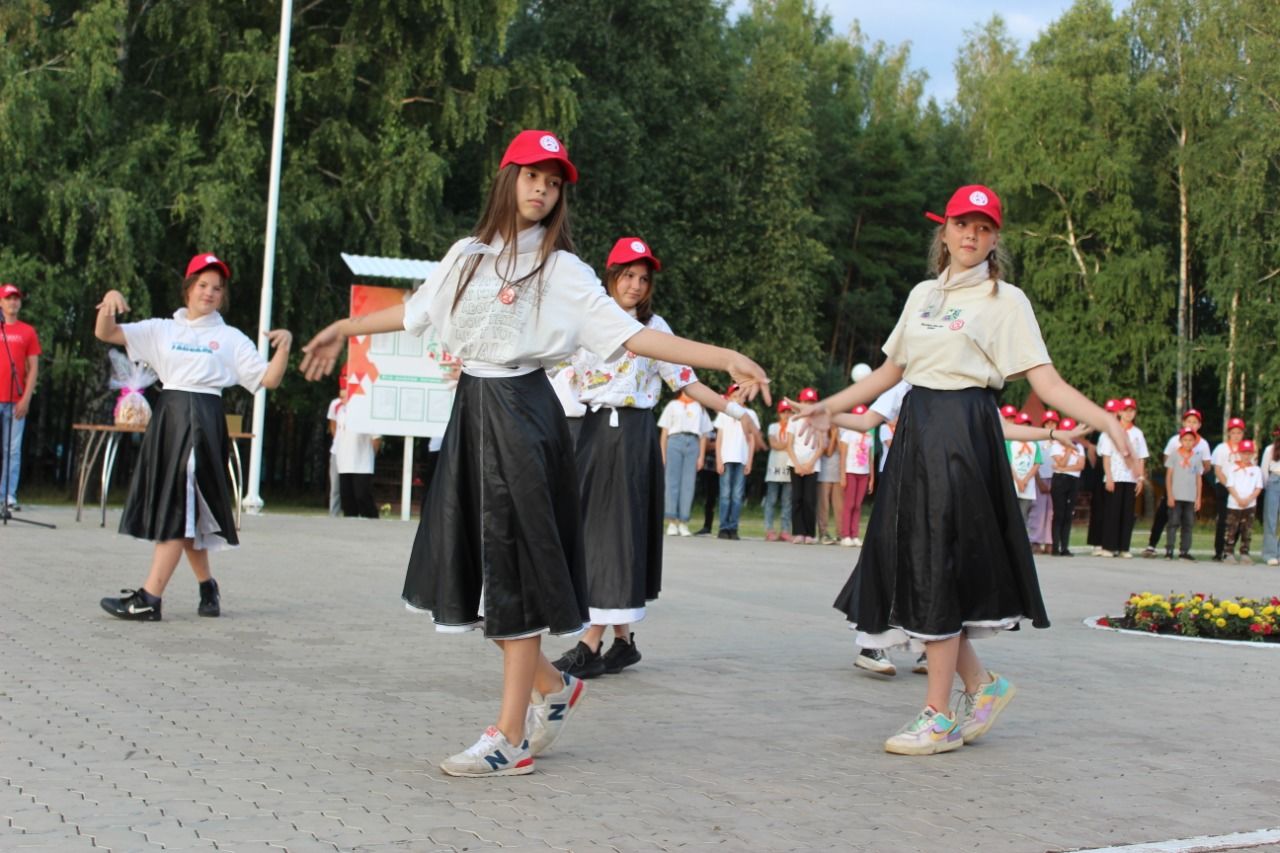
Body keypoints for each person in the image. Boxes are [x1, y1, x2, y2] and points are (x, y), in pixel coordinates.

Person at [298, 130, 769, 778]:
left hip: (524, 414)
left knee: (514, 574)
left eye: (554, 181)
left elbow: (633, 337)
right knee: (489, 572)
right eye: (532, 175)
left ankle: (510, 735)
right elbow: (416, 313)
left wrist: (722, 357)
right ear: (507, 178)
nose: (543, 189)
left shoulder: (565, 271)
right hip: (475, 413)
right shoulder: (468, 256)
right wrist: (341, 327)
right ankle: (552, 685)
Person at [795, 184, 1129, 755]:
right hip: (917, 431)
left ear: (995, 238)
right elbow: (889, 373)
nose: (970, 235)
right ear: (943, 231)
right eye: (960, 224)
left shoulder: (1007, 301)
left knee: (938, 561)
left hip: (962, 434)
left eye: (983, 226)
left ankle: (938, 713)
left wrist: (1107, 421)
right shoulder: (923, 294)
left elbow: (1045, 382)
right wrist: (828, 406)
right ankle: (982, 685)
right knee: (917, 562)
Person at [551, 237, 761, 679]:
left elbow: (687, 383)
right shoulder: (584, 322)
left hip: (632, 435)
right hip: (591, 431)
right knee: (596, 535)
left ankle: (590, 641)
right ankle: (622, 641)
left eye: (643, 279)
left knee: (616, 535)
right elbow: (544, 361)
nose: (635, 285)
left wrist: (737, 411)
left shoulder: (655, 329)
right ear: (610, 277)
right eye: (627, 275)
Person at [95, 253, 292, 621]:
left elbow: (268, 380)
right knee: (186, 510)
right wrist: (109, 301)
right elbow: (106, 333)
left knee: (177, 505)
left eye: (217, 288)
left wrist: (284, 347)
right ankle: (207, 587)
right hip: (169, 419)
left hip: (201, 422)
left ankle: (149, 599)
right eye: (203, 285)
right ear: (188, 288)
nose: (210, 293)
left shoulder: (230, 338)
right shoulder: (162, 330)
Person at [1143, 408, 1211, 557]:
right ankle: (1152, 545)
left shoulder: (1203, 444)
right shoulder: (1175, 440)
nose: (1191, 424)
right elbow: (1167, 459)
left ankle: (1184, 550)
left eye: (1194, 422)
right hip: (1174, 484)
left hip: (1190, 487)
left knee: (1187, 519)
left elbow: (1206, 465)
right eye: (1188, 421)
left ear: (1199, 425)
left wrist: (1193, 472)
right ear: (1183, 422)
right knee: (1164, 514)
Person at [0, 282, 41, 512]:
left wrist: (26, 398)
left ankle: (8, 495)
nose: (13, 302)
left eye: (16, 298)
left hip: (16, 400)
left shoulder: (27, 331)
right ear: (1, 302)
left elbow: (33, 367)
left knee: (12, 450)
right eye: (8, 298)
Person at [1097, 397, 1148, 558]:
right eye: (1126, 411)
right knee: (1112, 512)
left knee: (1127, 514)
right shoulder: (1111, 431)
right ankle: (1108, 546)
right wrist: (1109, 477)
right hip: (1115, 476)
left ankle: (1124, 547)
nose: (1129, 414)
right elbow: (1106, 457)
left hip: (1130, 477)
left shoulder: (1138, 433)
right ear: (1119, 412)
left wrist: (1140, 478)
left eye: (1132, 411)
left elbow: (1141, 457)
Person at [658, 389, 712, 537]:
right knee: (671, 482)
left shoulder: (699, 407)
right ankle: (671, 521)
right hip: (674, 441)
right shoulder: (673, 405)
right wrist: (662, 454)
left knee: (688, 483)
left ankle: (683, 522)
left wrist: (701, 456)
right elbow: (664, 432)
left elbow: (704, 435)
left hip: (693, 442)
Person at [332, 379, 382, 519]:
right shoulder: (341, 413)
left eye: (345, 397)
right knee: (347, 497)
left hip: (362, 463)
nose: (342, 400)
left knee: (362, 495)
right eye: (340, 397)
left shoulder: (365, 412)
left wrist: (371, 455)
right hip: (344, 462)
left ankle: (373, 520)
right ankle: (350, 523)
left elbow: (376, 438)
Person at [714, 385, 760, 540]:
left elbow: (752, 439)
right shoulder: (724, 413)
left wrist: (750, 461)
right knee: (725, 494)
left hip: (742, 459)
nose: (738, 398)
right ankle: (723, 527)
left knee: (737, 495)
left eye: (741, 395)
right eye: (735, 395)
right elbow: (719, 439)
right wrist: (719, 460)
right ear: (729, 397)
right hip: (726, 458)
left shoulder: (750, 414)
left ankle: (733, 528)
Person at [788, 387, 823, 544]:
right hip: (795, 465)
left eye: (811, 402)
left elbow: (821, 446)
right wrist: (798, 465)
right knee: (797, 498)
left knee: (809, 499)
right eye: (805, 401)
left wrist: (809, 464)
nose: (808, 404)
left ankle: (810, 533)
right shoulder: (793, 419)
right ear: (799, 402)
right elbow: (788, 445)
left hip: (812, 466)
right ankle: (798, 532)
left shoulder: (820, 420)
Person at [1163, 427, 1204, 560]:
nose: (1187, 442)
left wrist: (1198, 498)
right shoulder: (1174, 455)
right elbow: (1169, 476)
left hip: (1190, 497)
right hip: (1176, 496)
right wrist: (1169, 495)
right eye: (1185, 440)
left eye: (1190, 440)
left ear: (1194, 442)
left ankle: (1184, 551)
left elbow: (1198, 478)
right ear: (1180, 441)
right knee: (1173, 523)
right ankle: (1169, 549)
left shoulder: (1197, 458)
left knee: (1188, 524)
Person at [837, 404, 875, 548]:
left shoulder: (869, 435)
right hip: (850, 472)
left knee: (858, 505)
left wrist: (872, 477)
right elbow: (843, 455)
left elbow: (870, 458)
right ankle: (845, 535)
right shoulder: (848, 434)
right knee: (849, 504)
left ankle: (854, 535)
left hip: (863, 473)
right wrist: (842, 475)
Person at [1048, 418, 1086, 556]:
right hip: (1060, 481)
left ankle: (1065, 547)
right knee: (1059, 513)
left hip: (1073, 480)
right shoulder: (1056, 446)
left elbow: (1081, 465)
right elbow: (1061, 462)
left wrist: (1063, 468)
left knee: (1068, 514)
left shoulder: (1080, 446)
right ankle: (1055, 547)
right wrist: (1069, 449)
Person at [1223, 439, 1263, 564]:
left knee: (1247, 530)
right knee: (1231, 529)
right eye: (1244, 453)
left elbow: (1258, 487)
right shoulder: (1233, 468)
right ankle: (1228, 553)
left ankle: (1245, 553)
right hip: (1234, 504)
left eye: (1249, 453)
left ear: (1252, 454)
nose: (1246, 456)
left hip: (1250, 505)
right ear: (1239, 453)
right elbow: (1230, 485)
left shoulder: (1256, 470)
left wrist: (1249, 499)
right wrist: (1238, 499)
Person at [1212, 417, 1246, 561]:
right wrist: (1228, 486)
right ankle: (1219, 550)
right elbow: (1218, 470)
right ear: (1229, 433)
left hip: (1240, 489)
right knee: (1224, 520)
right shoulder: (1221, 448)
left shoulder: (1246, 450)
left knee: (1238, 521)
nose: (1236, 435)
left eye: (1239, 432)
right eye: (1233, 432)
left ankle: (1230, 548)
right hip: (1224, 486)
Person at [763, 400, 794, 541]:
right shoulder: (773, 427)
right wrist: (787, 445)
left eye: (789, 412)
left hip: (788, 467)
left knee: (787, 501)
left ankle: (785, 529)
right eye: (783, 412)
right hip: (774, 468)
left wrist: (786, 444)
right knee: (771, 499)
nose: (786, 415)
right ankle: (769, 529)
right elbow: (774, 444)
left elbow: (791, 444)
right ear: (779, 413)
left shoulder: (794, 427)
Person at [1027, 410, 1058, 554]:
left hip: (1056, 478)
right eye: (1048, 423)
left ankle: (1049, 541)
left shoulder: (1059, 442)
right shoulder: (1038, 441)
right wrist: (1039, 481)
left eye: (1053, 423)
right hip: (1040, 477)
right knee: (1038, 511)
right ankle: (1035, 540)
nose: (1051, 425)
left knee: (1051, 512)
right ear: (1043, 424)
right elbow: (1035, 462)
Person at [1007, 414, 1041, 525]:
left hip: (1028, 486)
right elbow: (1008, 463)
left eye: (1027, 426)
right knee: (1010, 514)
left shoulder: (1034, 444)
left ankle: (1021, 541)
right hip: (1013, 483)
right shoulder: (1009, 443)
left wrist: (1025, 481)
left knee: (1023, 515)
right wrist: (1018, 481)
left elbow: (1037, 463)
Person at [816, 423, 843, 544]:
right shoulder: (822, 432)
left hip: (838, 475)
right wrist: (833, 436)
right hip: (824, 475)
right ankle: (823, 533)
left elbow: (843, 451)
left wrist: (837, 436)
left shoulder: (842, 432)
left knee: (839, 506)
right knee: (824, 506)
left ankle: (840, 533)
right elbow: (828, 452)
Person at [692, 428, 718, 535]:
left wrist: (714, 444)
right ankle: (707, 526)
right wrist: (719, 444)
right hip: (708, 467)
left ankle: (725, 528)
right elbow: (704, 445)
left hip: (726, 465)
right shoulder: (710, 427)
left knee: (722, 497)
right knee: (708, 498)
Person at [326, 375, 345, 517]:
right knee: (335, 486)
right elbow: (332, 425)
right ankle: (333, 513)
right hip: (336, 451)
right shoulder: (335, 404)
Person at [1261, 427, 1280, 566]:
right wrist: (1266, 486)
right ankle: (1270, 553)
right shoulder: (1270, 449)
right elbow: (1264, 470)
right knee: (1271, 519)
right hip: (1274, 481)